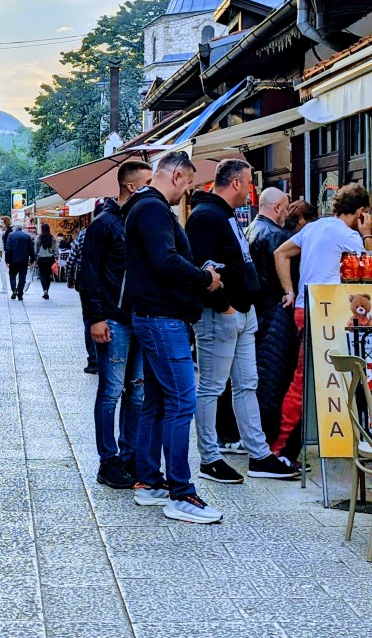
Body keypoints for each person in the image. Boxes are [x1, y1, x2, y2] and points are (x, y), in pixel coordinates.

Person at [185, 160, 299, 484]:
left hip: (242, 312)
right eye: (249, 183)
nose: (251, 191)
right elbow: (199, 269)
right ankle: (209, 458)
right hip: (222, 314)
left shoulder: (224, 214)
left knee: (247, 383)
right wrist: (224, 307)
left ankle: (259, 455)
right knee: (212, 386)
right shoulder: (206, 216)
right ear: (235, 183)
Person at [125, 150, 224, 524]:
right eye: (189, 183)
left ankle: (150, 482)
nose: (188, 192)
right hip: (162, 319)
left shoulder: (143, 206)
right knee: (183, 401)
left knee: (157, 401)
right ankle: (181, 493)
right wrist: (204, 278)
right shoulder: (152, 209)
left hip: (155, 316)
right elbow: (164, 260)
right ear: (177, 175)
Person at [273, 182, 372, 461]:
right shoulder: (347, 235)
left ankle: (285, 445)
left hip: (304, 307)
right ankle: (282, 448)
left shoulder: (314, 228)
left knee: (303, 379)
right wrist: (366, 233)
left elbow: (280, 253)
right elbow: (367, 266)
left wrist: (289, 290)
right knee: (305, 381)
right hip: (327, 312)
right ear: (361, 212)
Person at [80, 160, 153, 489]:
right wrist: (96, 317)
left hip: (141, 317)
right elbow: (89, 274)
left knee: (137, 391)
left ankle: (130, 455)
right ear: (131, 186)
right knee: (110, 391)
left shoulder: (141, 221)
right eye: (148, 182)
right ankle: (108, 461)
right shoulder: (104, 224)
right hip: (113, 317)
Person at [245, 188, 297, 446]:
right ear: (277, 208)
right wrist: (289, 291)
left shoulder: (250, 230)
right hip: (276, 314)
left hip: (257, 314)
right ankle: (267, 436)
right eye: (286, 208)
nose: (287, 213)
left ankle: (254, 434)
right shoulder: (277, 236)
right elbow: (290, 276)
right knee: (273, 379)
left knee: (257, 377)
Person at [67, 223, 97, 373]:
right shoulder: (118, 227)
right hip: (109, 280)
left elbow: (72, 257)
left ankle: (93, 360)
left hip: (85, 278)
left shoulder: (84, 233)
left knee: (89, 319)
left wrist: (70, 278)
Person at [4, 224, 35, 301]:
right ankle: (20, 293)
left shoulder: (11, 236)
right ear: (22, 228)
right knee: (22, 276)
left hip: (13, 260)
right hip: (24, 260)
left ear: (15, 228)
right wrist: (32, 260)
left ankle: (14, 290)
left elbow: (8, 248)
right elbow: (31, 249)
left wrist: (7, 260)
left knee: (12, 275)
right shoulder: (27, 236)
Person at [34, 223, 59, 300]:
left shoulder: (38, 238)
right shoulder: (52, 238)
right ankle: (46, 290)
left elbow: (35, 249)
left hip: (41, 258)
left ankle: (45, 290)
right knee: (48, 275)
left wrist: (35, 257)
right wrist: (56, 257)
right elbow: (56, 249)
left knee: (42, 275)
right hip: (50, 259)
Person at [0, 215, 13, 294]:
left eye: (2, 222)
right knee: (7, 270)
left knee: (3, 270)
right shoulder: (6, 231)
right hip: (6, 252)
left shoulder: (9, 232)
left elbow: (6, 244)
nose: (1, 224)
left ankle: (5, 287)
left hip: (7, 253)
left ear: (6, 223)